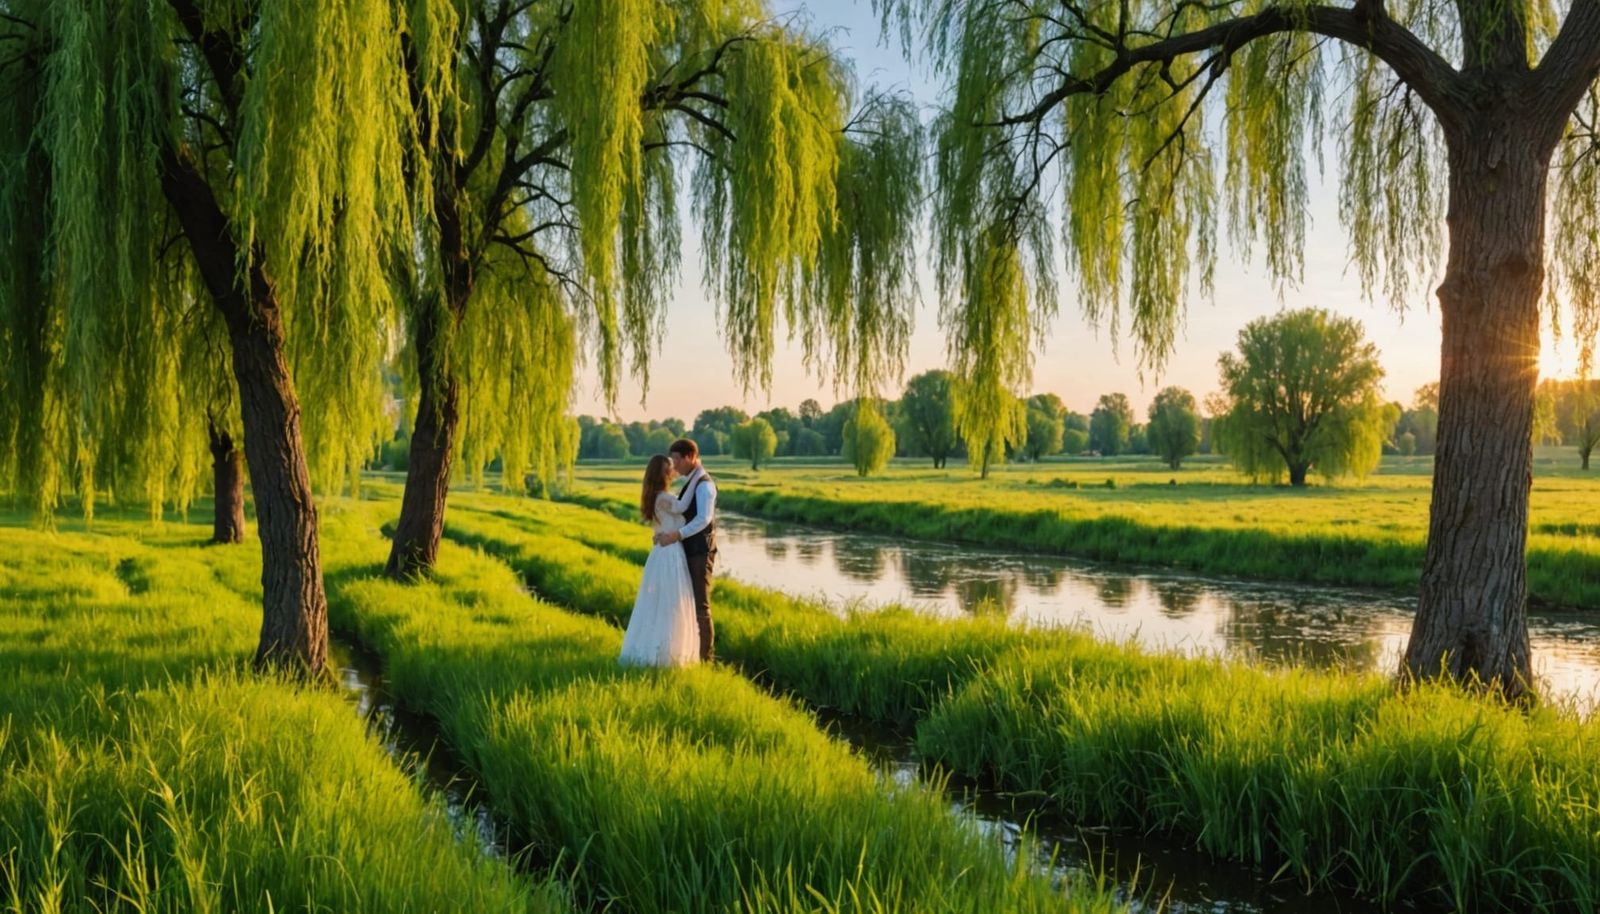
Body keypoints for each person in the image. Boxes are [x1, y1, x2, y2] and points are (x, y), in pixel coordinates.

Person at [618, 454, 700, 667]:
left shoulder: (657, 495)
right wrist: (698, 475)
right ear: (663, 473)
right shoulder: (663, 497)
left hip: (664, 550)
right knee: (670, 601)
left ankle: (663, 649)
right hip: (670, 552)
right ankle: (665, 654)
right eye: (669, 469)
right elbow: (681, 507)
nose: (673, 471)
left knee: (663, 601)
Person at [654, 438, 717, 661]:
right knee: (685, 602)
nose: (674, 465)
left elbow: (703, 519)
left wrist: (674, 535)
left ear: (690, 457)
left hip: (700, 551)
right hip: (688, 550)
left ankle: (706, 659)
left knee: (700, 604)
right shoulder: (691, 481)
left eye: (677, 459)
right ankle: (689, 652)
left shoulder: (705, 485)